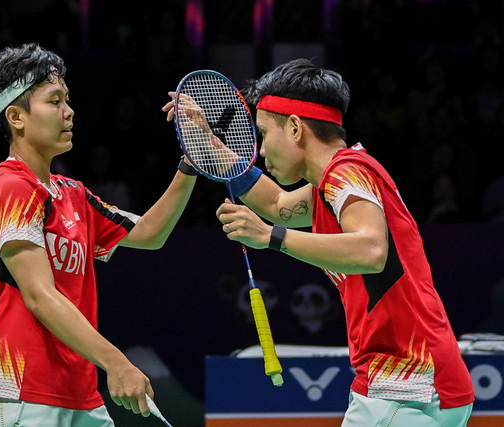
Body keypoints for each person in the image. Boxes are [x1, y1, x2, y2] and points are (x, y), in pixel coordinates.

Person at [164, 58, 474, 426]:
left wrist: (269, 238)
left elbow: (372, 250)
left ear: (295, 128)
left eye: (264, 134)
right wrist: (210, 142)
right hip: (405, 380)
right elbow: (277, 205)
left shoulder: (348, 174)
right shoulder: (334, 181)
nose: (261, 150)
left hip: (407, 381)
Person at [0, 43, 198, 426]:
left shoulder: (74, 195)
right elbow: (40, 296)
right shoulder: (7, 187)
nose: (69, 111)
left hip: (80, 396)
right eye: (54, 101)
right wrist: (117, 363)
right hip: (21, 397)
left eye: (68, 100)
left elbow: (152, 232)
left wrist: (190, 161)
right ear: (16, 117)